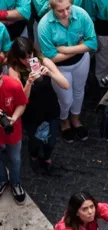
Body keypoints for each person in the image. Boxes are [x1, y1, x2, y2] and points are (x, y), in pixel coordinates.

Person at [37, 0, 96, 143]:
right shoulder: (44, 25)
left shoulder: (81, 14)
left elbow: (93, 43)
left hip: (81, 61)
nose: (66, 13)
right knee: (65, 99)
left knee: (79, 91)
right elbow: (51, 57)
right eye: (60, 11)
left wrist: (66, 49)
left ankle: (75, 118)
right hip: (59, 68)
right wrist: (80, 47)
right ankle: (64, 121)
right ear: (52, 9)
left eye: (68, 8)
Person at [7, 37, 67, 175]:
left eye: (30, 56)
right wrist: (28, 82)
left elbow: (65, 84)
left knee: (51, 141)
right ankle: (34, 156)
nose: (29, 61)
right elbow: (21, 99)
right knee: (34, 140)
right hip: (31, 113)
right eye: (24, 58)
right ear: (17, 58)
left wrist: (50, 73)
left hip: (50, 108)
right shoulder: (15, 70)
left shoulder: (44, 61)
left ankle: (46, 158)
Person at [0, 73, 27, 204]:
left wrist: (14, 118)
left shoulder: (13, 85)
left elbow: (22, 104)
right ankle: (2, 180)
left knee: (15, 159)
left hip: (12, 129)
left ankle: (15, 183)